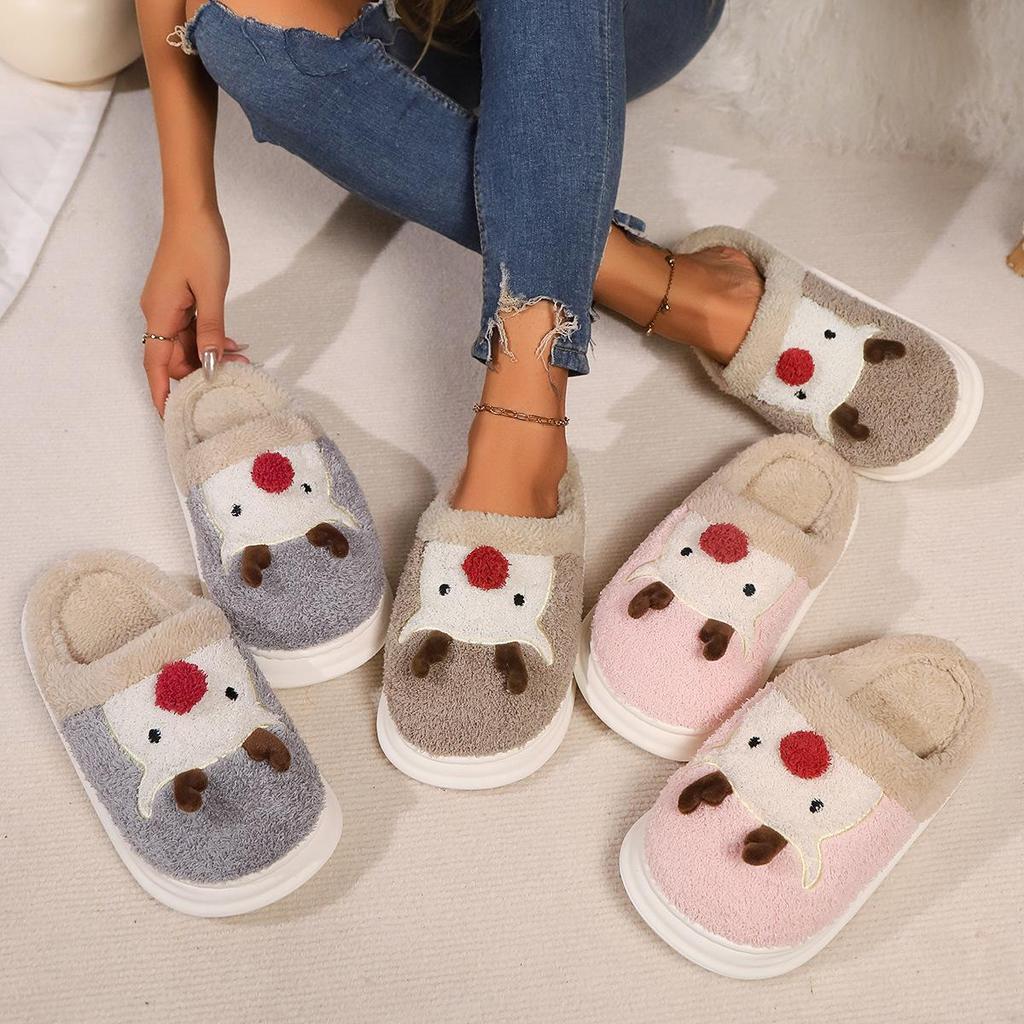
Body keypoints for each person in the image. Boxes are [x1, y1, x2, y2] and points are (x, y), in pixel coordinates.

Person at [137, 0, 763, 518]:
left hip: (602, 19)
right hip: (414, 33)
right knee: (236, 24)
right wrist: (189, 211)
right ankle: (659, 285)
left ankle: (525, 410)